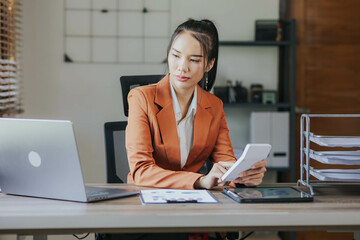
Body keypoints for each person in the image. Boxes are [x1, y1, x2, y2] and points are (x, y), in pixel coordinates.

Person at [126, 19, 267, 190]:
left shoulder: (214, 106)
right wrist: (200, 180)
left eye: (194, 60)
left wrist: (242, 175)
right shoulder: (141, 98)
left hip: (193, 202)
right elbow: (141, 170)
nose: (182, 67)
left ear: (209, 64)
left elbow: (225, 162)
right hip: (146, 196)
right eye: (176, 55)